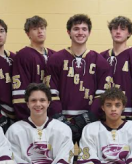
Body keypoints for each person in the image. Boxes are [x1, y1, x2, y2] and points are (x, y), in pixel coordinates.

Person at [45, 14, 113, 143]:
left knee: (88, 160)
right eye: (76, 29)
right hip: (62, 121)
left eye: (84, 29)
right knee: (62, 159)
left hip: (91, 122)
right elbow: (51, 92)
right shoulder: (55, 60)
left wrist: (89, 117)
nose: (80, 32)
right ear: (68, 32)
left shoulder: (100, 61)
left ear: (89, 32)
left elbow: (102, 95)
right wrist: (60, 119)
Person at [100, 16, 132, 122]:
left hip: (129, 116)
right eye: (115, 28)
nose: (118, 32)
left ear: (129, 33)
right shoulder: (102, 56)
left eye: (122, 29)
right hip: (105, 116)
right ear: (111, 31)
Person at [12, 15, 55, 120]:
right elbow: (20, 91)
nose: (40, 31)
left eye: (42, 28)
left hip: (52, 113)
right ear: (28, 34)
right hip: (32, 114)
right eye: (35, 29)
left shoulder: (54, 55)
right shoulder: (23, 56)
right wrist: (26, 117)